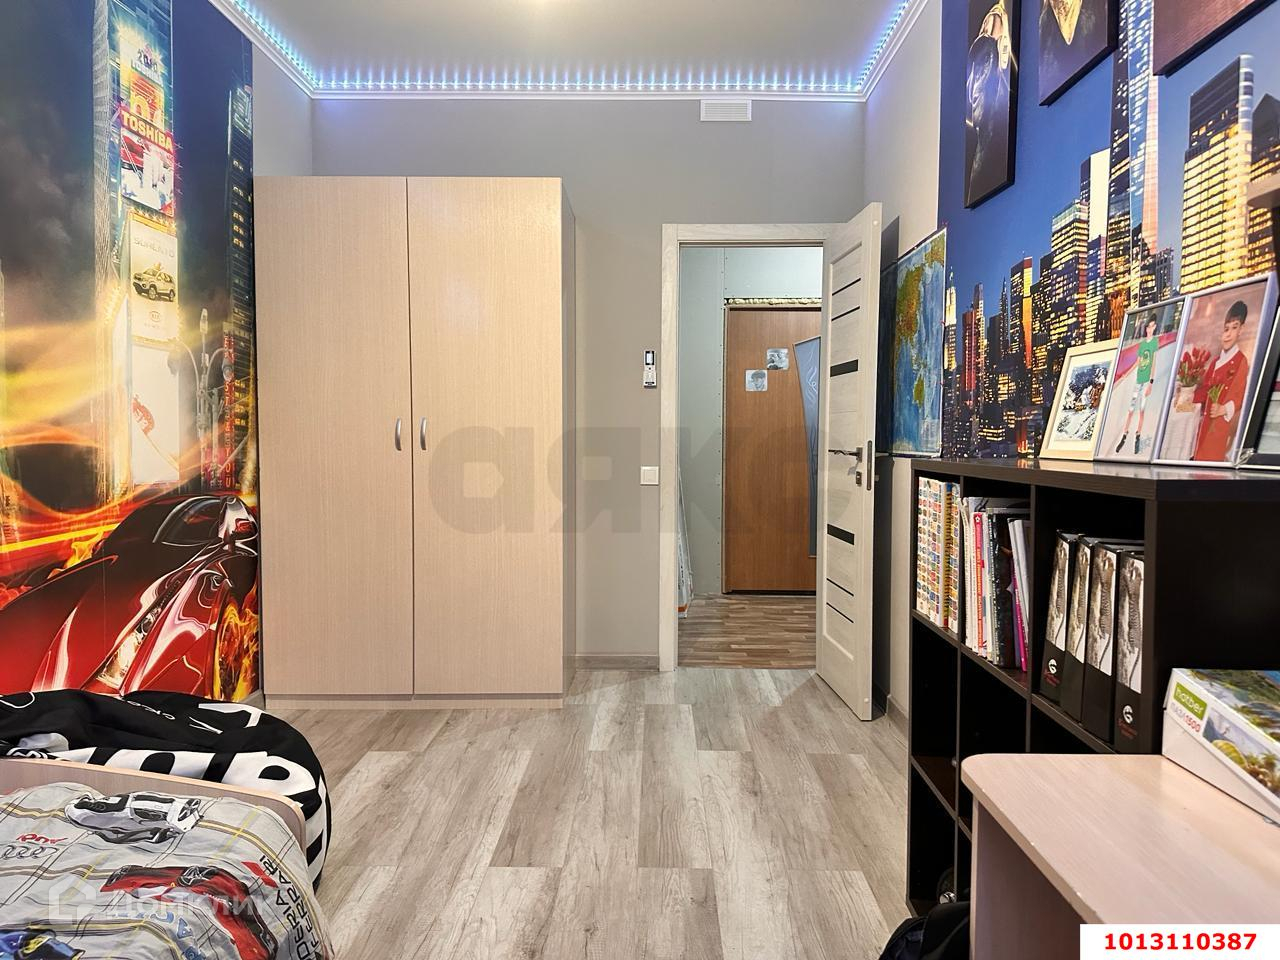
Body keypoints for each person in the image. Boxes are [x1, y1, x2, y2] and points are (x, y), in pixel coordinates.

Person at [1192, 300, 1250, 462]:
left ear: (1241, 330)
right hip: (1203, 426)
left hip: (1220, 428)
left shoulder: (1241, 361)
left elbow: (1239, 396)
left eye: (1234, 328)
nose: (1228, 334)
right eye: (1226, 329)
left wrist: (1223, 409)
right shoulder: (1215, 362)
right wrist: (1188, 397)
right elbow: (1205, 390)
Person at [1115, 314, 1160, 454]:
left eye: (1152, 326)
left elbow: (1153, 363)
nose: (1150, 329)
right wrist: (1126, 374)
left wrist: (1151, 382)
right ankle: (1124, 435)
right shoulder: (1142, 345)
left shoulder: (1154, 343)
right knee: (1131, 409)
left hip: (1146, 382)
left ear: (1155, 327)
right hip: (1138, 380)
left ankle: (1137, 436)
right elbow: (1138, 362)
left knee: (1141, 410)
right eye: (1148, 326)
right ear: (1146, 328)